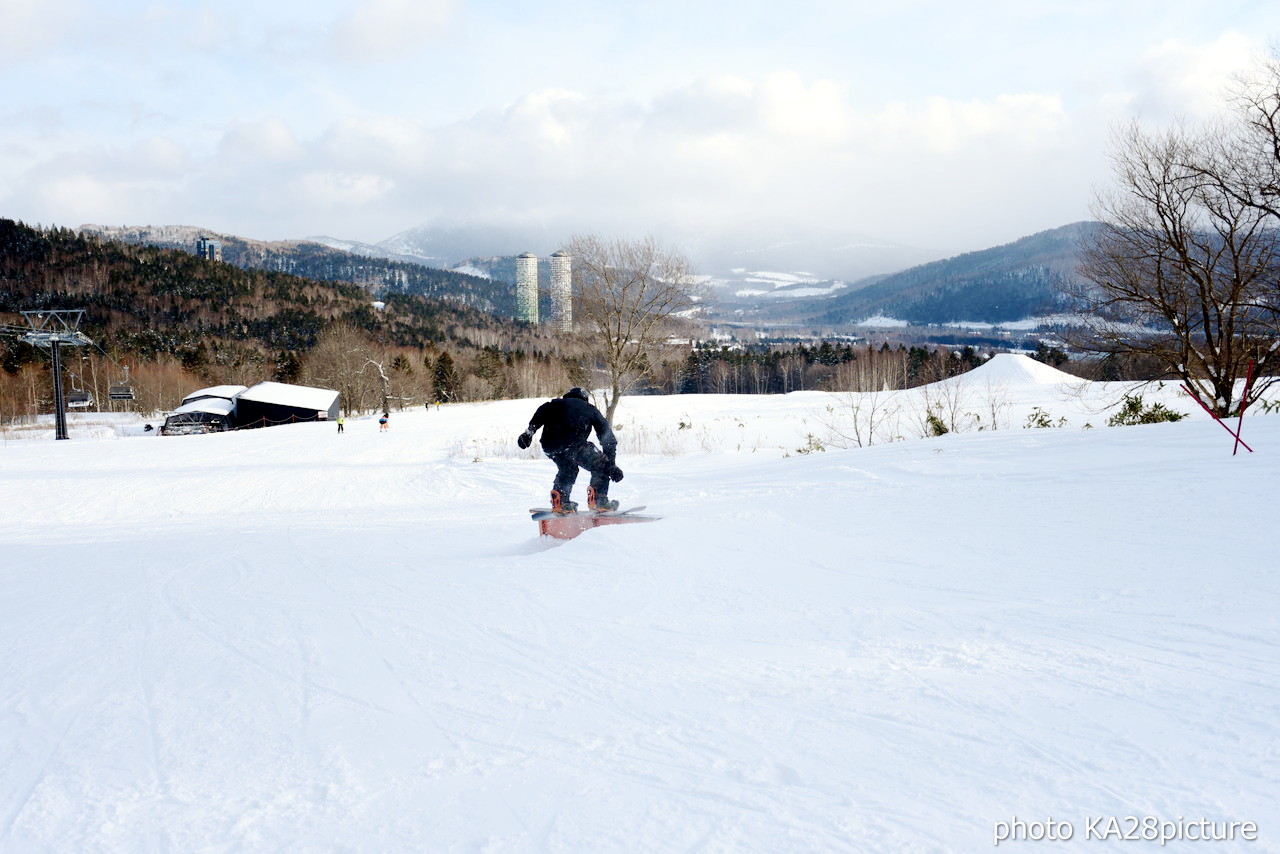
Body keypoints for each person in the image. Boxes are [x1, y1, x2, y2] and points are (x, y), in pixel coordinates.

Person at [517, 387, 624, 513]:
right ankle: (599, 501)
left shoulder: (554, 404)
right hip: (574, 445)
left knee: (568, 469)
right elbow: (607, 438)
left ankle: (560, 502)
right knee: (601, 465)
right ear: (585, 399)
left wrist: (529, 432)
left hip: (550, 446)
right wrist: (610, 465)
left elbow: (542, 411)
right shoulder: (589, 408)